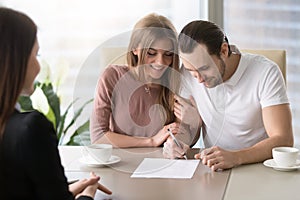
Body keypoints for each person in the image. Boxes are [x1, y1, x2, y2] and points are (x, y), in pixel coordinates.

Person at [0, 7, 112, 199]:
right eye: (36, 55)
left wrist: (66, 189)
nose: (39, 65)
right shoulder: (31, 128)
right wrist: (88, 194)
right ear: (15, 60)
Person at [163, 20, 293, 171]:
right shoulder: (187, 75)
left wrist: (236, 157)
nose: (198, 78)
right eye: (191, 71)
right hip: (215, 169)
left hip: (259, 168)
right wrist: (178, 143)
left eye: (204, 68)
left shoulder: (265, 72)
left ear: (224, 51)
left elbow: (283, 140)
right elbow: (189, 131)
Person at [90, 13, 198, 148]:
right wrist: (150, 141)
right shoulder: (112, 76)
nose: (161, 62)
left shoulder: (175, 83)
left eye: (168, 54)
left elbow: (185, 136)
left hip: (160, 163)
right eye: (151, 53)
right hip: (120, 163)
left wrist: (179, 139)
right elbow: (98, 136)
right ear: (135, 48)